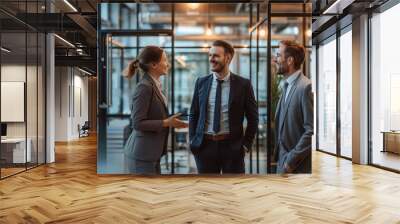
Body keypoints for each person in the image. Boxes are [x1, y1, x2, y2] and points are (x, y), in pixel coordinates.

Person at [189, 40, 258, 174]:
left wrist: (246, 145)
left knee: (233, 191)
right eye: (210, 55)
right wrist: (193, 140)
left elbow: (253, 118)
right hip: (205, 147)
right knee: (208, 192)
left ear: (228, 58)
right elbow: (194, 114)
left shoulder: (243, 85)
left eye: (215, 56)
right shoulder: (201, 83)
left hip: (233, 148)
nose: (211, 59)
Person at [124, 46, 188, 174]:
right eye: (165, 60)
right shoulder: (144, 87)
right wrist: (166, 122)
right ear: (154, 64)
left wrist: (171, 121)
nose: (168, 64)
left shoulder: (155, 85)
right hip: (142, 155)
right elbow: (137, 123)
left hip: (152, 153)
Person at [273, 40, 313, 174]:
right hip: (281, 162)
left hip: (296, 167)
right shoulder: (286, 86)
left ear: (290, 60)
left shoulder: (306, 87)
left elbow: (311, 131)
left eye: (278, 55)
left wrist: (290, 162)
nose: (275, 59)